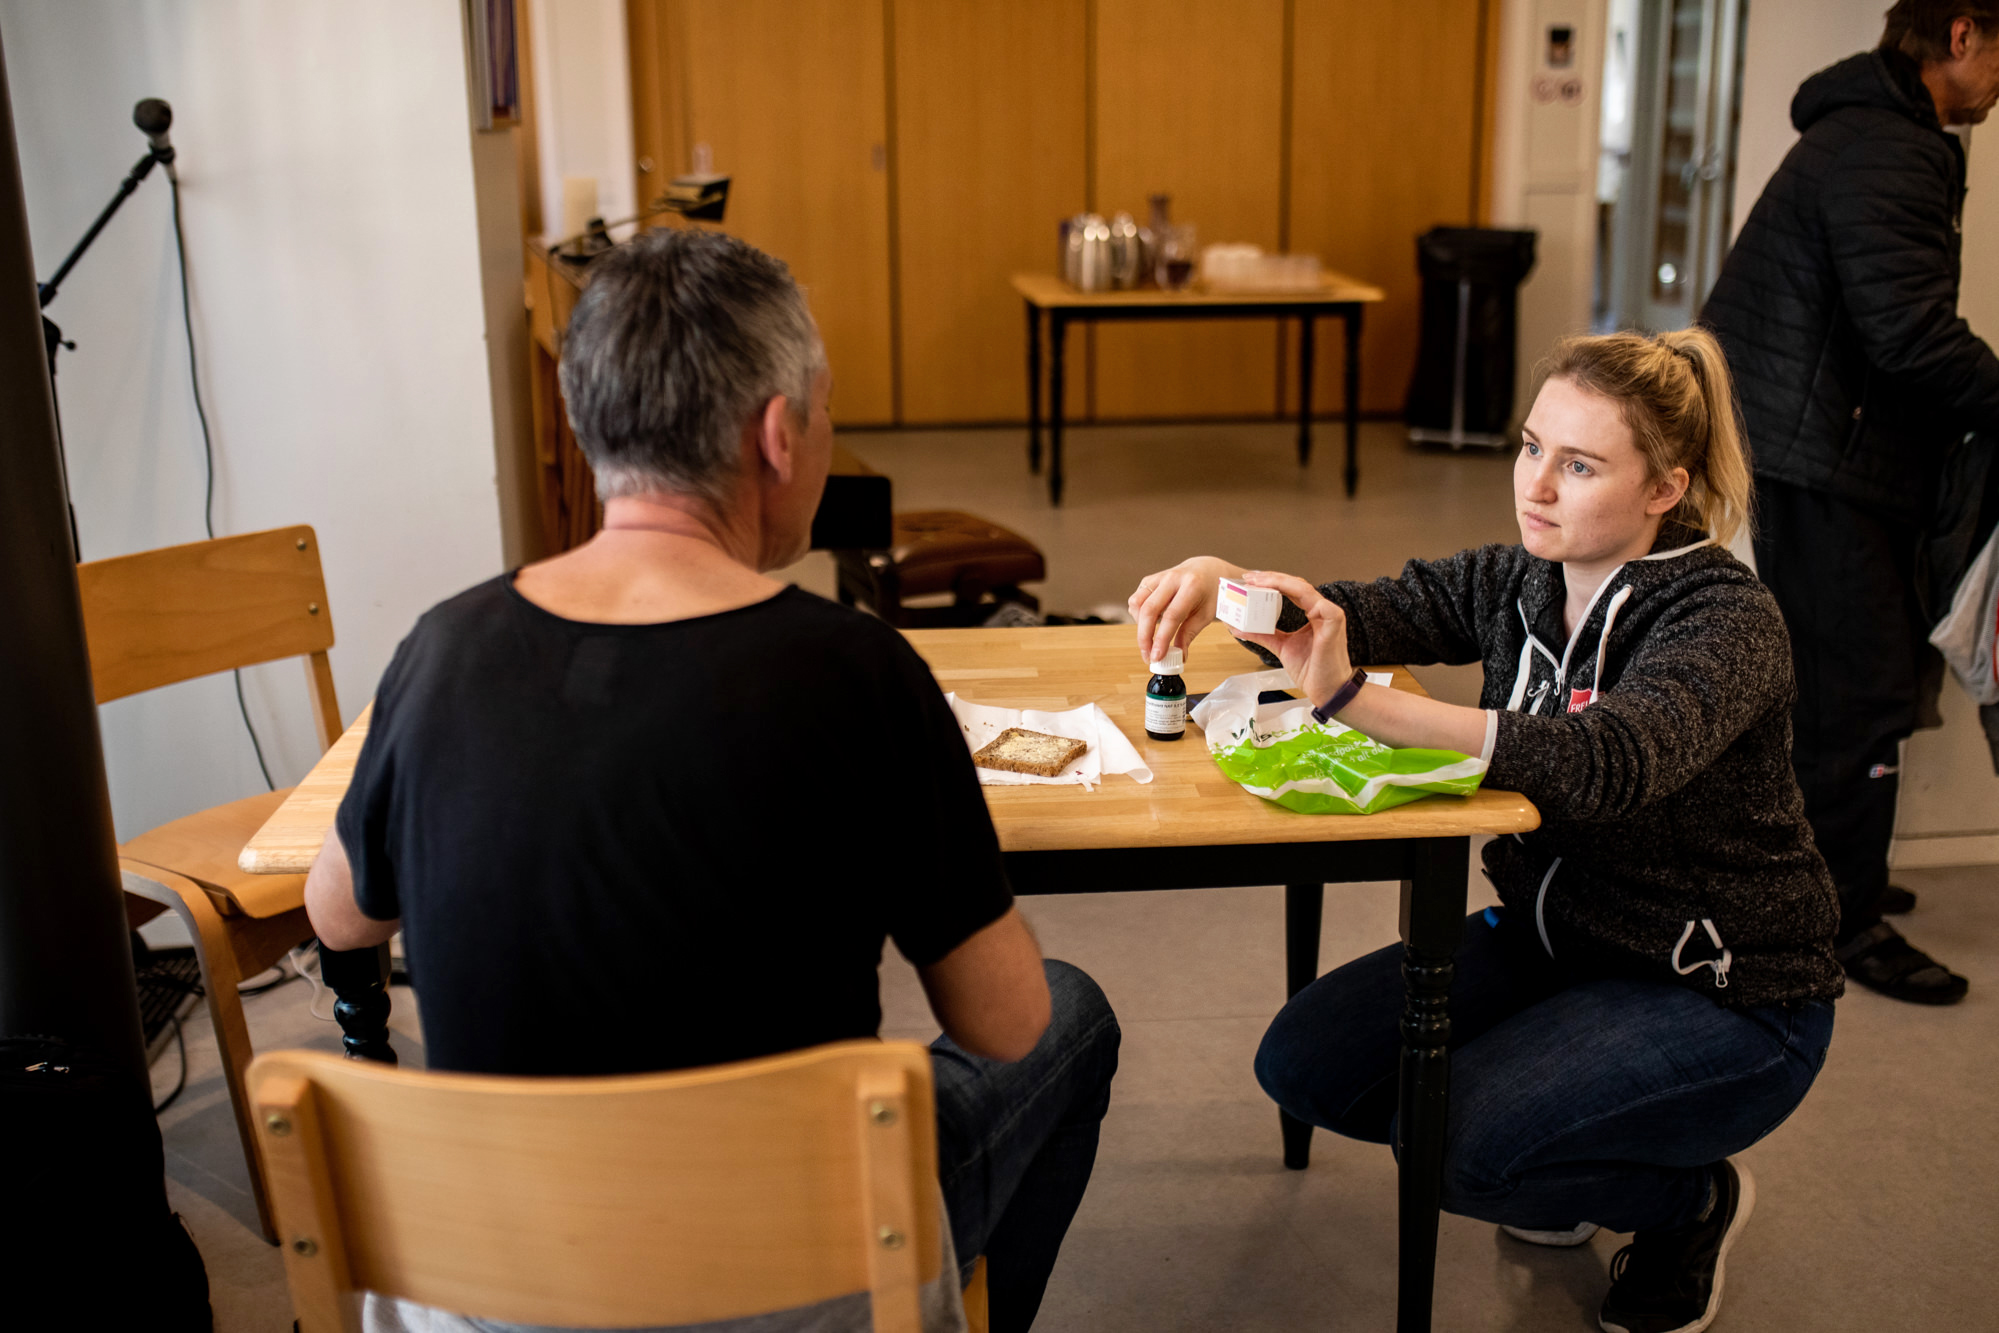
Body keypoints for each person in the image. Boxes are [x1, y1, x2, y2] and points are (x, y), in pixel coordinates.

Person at [305, 227, 1119, 1333]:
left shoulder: (442, 648)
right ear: (779, 434)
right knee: (1072, 1011)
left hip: (489, 1291)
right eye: (826, 411)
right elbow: (1004, 1023)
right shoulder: (858, 675)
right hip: (784, 1285)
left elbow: (335, 912)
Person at [1130, 330, 1839, 1333]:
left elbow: (1602, 762)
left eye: (1580, 464)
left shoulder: (1727, 620)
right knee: (1304, 1064)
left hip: (1725, 992)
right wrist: (1226, 580)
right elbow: (1362, 614)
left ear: (1663, 489)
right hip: (1564, 944)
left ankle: (1690, 1203)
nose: (1536, 485)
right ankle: (1566, 1150)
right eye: (1530, 446)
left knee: (1454, 1145)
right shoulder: (1523, 576)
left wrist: (1347, 701)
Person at [1699, 0, 1999, 1004]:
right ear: (1961, 34)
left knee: (1841, 688)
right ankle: (1836, 922)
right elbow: (1908, 333)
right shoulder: (1888, 147)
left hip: (1812, 442)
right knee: (1853, 695)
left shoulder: (1870, 130)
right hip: (1824, 453)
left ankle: (1836, 877)